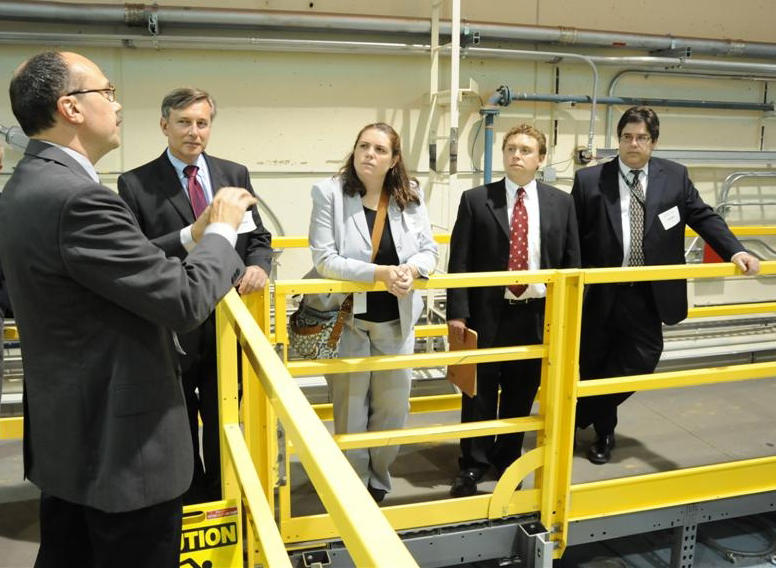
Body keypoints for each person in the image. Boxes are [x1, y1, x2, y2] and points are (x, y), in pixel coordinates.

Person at [0, 51, 256, 568]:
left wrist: (191, 234)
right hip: (125, 453)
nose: (117, 106)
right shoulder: (80, 198)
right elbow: (184, 301)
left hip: (70, 439)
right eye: (108, 92)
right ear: (71, 107)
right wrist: (225, 229)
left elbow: (100, 267)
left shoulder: (27, 187)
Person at [572, 106, 760, 465]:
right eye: (627, 137)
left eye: (641, 137)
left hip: (649, 292)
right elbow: (573, 235)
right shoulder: (590, 181)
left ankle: (580, 412)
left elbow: (703, 216)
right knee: (595, 362)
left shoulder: (674, 177)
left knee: (643, 357)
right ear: (618, 140)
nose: (633, 144)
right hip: (602, 290)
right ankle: (604, 433)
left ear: (654, 142)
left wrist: (735, 251)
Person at [117, 87, 273, 503]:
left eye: (202, 123)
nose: (194, 132)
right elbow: (139, 254)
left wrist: (259, 265)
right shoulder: (135, 184)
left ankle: (228, 495)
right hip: (174, 321)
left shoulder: (233, 174)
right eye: (184, 122)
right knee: (178, 415)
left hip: (228, 318)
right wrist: (191, 236)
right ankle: (189, 498)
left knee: (228, 414)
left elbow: (257, 235)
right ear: (164, 124)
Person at [447, 123, 581, 497]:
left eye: (525, 150)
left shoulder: (561, 203)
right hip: (487, 314)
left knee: (521, 394)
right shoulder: (476, 200)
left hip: (537, 316)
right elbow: (459, 259)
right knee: (478, 394)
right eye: (510, 149)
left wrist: (569, 315)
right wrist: (457, 312)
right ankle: (471, 465)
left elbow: (571, 262)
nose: (516, 155)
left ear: (541, 159)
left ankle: (507, 458)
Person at [307, 122, 438, 502]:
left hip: (397, 321)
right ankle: (353, 485)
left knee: (393, 408)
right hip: (349, 321)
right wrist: (379, 273)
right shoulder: (329, 193)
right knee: (350, 409)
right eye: (363, 146)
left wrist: (410, 270)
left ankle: (378, 478)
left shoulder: (411, 195)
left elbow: (428, 250)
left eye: (380, 150)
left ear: (394, 159)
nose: (369, 154)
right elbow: (325, 259)